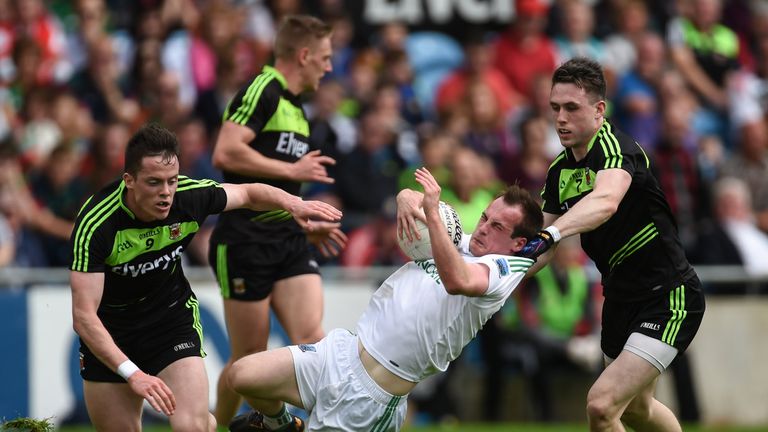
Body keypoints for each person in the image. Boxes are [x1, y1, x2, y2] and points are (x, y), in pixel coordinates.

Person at [224, 167, 543, 431]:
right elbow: (412, 198)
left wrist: (431, 213)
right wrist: (407, 199)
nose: (483, 227)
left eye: (496, 225)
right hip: (340, 354)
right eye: (485, 217)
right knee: (244, 375)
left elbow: (457, 279)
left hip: (373, 396)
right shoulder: (464, 238)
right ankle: (282, 426)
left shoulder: (501, 272)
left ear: (517, 244)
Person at [69, 124, 342, 432]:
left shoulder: (189, 197)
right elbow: (84, 317)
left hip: (168, 322)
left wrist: (292, 203)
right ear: (129, 181)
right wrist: (133, 373)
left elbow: (249, 193)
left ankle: (205, 423)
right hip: (111, 329)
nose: (166, 193)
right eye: (154, 182)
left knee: (192, 427)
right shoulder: (96, 224)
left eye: (172, 181)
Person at [518, 57, 705, 432]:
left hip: (667, 296)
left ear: (599, 109)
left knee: (602, 407)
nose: (561, 119)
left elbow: (605, 202)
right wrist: (494, 272)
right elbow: (541, 248)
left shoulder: (617, 148)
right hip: (620, 300)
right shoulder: (559, 172)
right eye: (555, 108)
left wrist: (550, 235)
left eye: (572, 108)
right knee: (637, 410)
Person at [206, 14, 348, 427]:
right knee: (247, 362)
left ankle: (319, 424)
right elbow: (226, 152)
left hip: (288, 237)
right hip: (244, 240)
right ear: (303, 55)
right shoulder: (262, 89)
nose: (329, 66)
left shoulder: (298, 108)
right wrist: (291, 173)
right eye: (323, 57)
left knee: (314, 340)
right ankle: (221, 425)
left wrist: (306, 223)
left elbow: (282, 186)